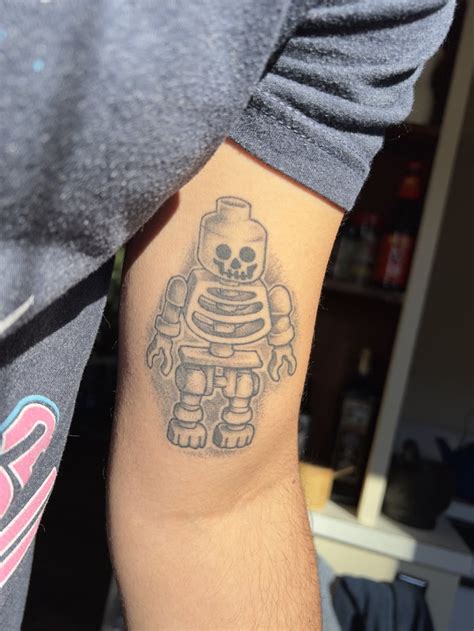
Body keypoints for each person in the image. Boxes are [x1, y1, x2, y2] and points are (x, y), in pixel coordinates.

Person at [0, 1, 455, 628]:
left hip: (232, 360)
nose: (240, 266)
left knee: (226, 405)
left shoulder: (367, 12)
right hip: (198, 348)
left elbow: (218, 501)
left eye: (245, 257)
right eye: (229, 256)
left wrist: (271, 340)